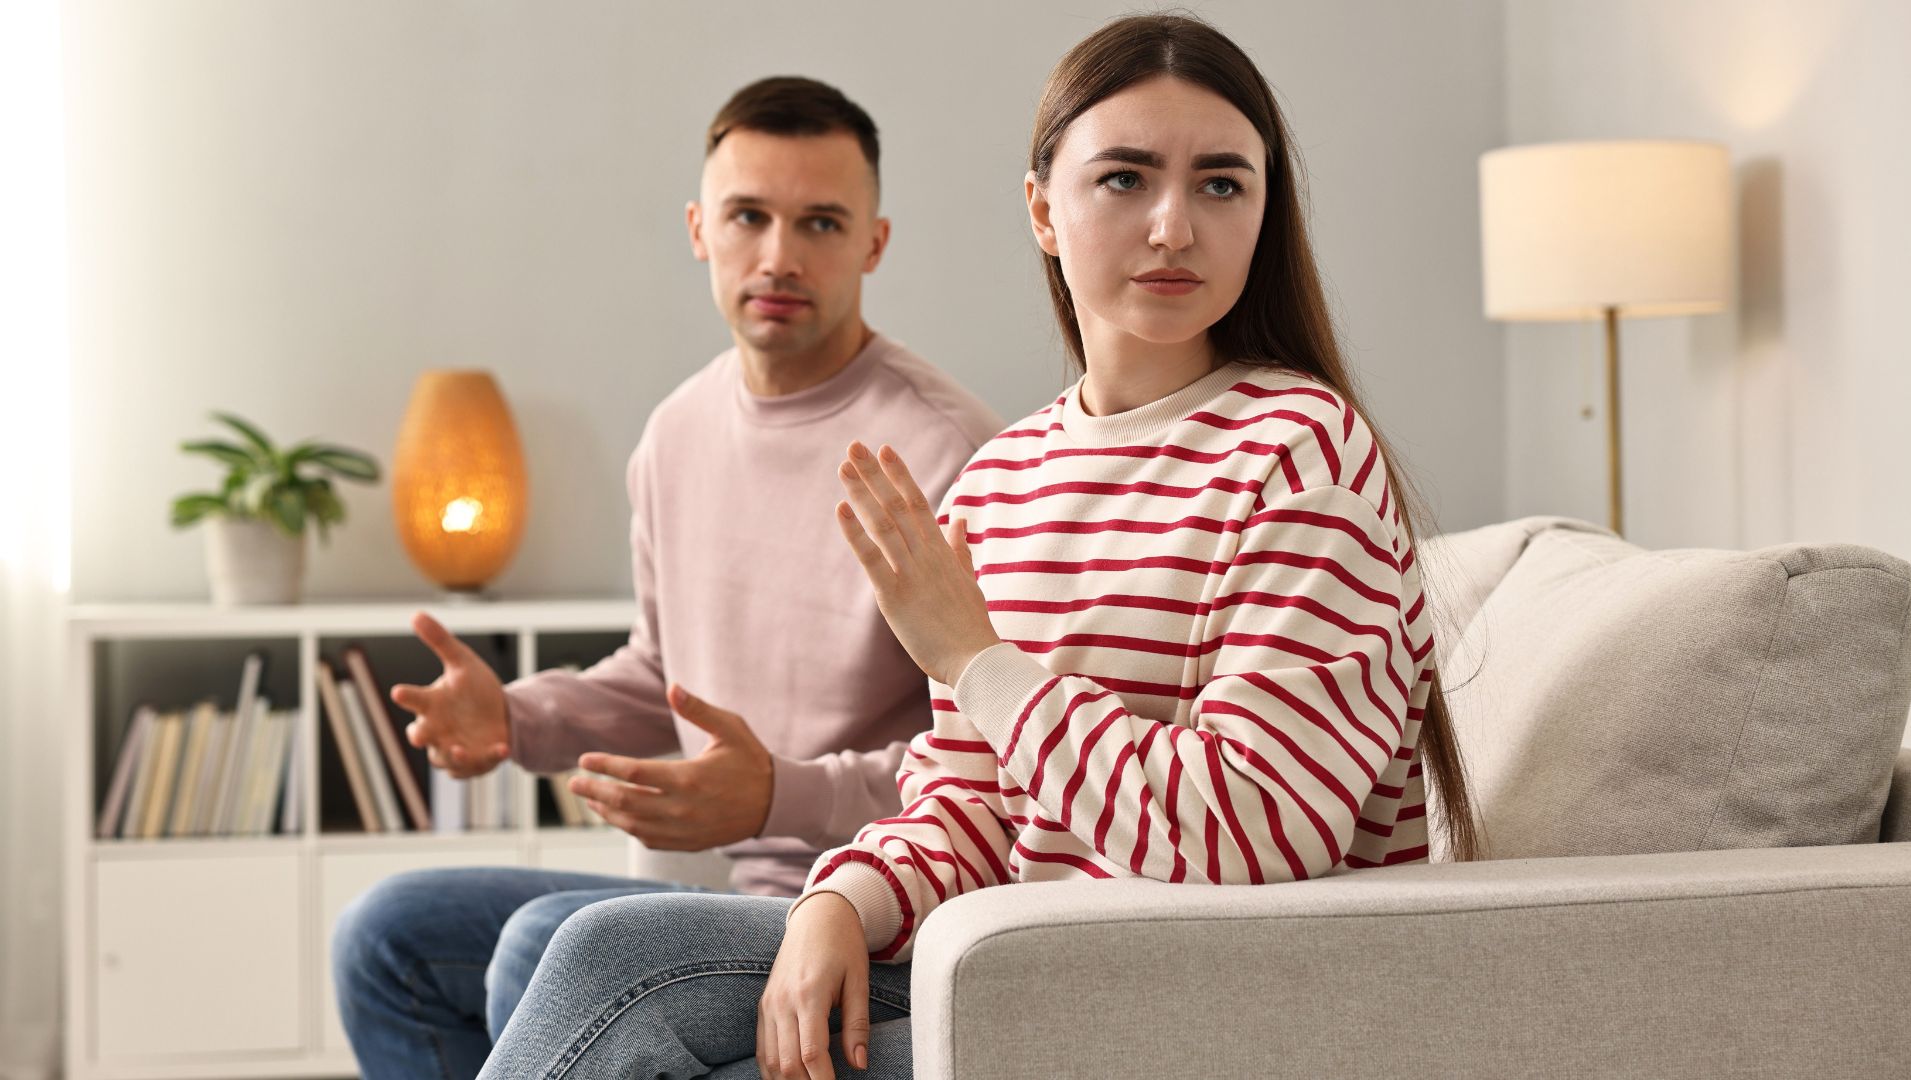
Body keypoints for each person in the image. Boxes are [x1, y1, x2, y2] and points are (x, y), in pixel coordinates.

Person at [479, 13, 1481, 1080]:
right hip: (1017, 963)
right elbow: (974, 807)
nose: (1174, 226)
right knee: (597, 952)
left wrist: (977, 659)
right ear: (1043, 210)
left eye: (1222, 184)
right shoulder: (1004, 479)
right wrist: (842, 900)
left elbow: (1257, 829)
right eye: (1126, 178)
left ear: (1264, 212)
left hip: (1206, 1000)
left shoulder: (1302, 452)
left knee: (655, 1005)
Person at [329, 75, 1003, 1080]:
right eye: (748, 217)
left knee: (541, 943)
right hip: (729, 896)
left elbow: (996, 762)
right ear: (700, 229)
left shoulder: (951, 455)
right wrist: (515, 718)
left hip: (873, 907)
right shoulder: (676, 432)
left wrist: (779, 796)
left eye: (820, 223)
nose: (779, 256)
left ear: (874, 243)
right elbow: (663, 673)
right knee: (386, 935)